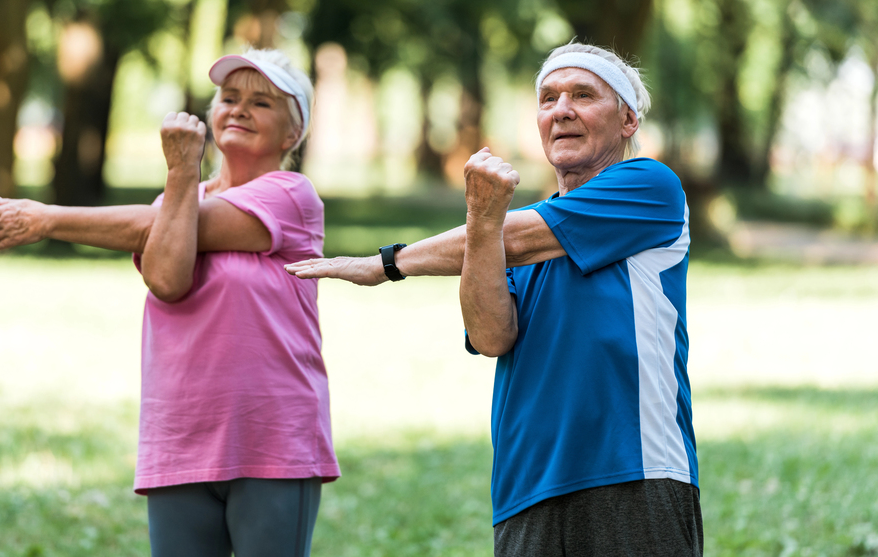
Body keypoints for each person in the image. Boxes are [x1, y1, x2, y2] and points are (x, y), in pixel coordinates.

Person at [286, 43, 701, 556]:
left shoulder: (649, 186)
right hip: (525, 484)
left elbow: (521, 238)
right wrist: (482, 222)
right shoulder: (503, 233)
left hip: (635, 470)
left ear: (628, 121)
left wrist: (386, 263)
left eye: (583, 94)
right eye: (548, 98)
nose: (561, 109)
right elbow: (491, 336)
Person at [0, 49, 340, 557]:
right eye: (229, 98)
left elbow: (171, 227)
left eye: (262, 103)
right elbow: (167, 278)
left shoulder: (293, 196)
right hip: (181, 433)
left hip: (272, 434)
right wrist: (183, 175)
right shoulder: (178, 198)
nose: (239, 109)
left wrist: (49, 218)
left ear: (292, 134)